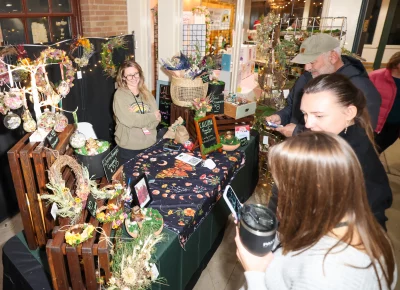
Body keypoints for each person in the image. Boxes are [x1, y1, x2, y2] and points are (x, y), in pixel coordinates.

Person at [235, 132, 397, 290]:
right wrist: (266, 237)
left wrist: (254, 272)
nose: (278, 196)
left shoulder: (326, 274)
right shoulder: (359, 224)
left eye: (282, 187)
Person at [300, 74, 392, 229]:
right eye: (305, 114)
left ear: (349, 112)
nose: (308, 124)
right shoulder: (345, 137)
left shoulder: (346, 157)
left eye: (319, 115)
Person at [266, 33, 381, 137]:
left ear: (333, 57)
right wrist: (281, 117)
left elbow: (360, 134)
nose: (307, 68)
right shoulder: (307, 77)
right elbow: (293, 106)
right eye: (305, 63)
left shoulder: (360, 87)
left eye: (312, 62)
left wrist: (299, 132)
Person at [113, 60, 161, 165]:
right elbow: (130, 120)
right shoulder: (120, 95)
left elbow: (157, 119)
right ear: (123, 78)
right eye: (129, 75)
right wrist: (151, 116)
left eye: (136, 73)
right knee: (132, 180)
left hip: (149, 144)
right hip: (129, 148)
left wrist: (140, 119)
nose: (134, 78)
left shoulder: (146, 92)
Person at [370, 52, 400, 153]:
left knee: (378, 151)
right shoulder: (376, 76)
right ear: (396, 63)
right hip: (375, 126)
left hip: (394, 128)